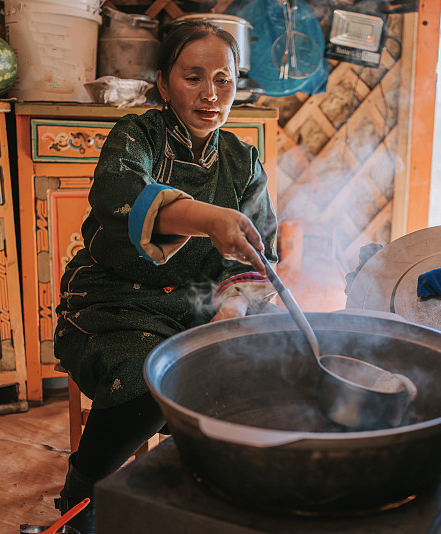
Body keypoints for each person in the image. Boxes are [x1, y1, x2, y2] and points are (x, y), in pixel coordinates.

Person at [51, 20, 278, 533]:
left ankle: (195, 498)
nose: (210, 94)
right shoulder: (136, 135)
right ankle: (80, 502)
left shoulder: (243, 162)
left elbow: (259, 258)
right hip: (115, 302)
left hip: (199, 308)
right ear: (163, 82)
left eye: (223, 79)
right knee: (148, 376)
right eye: (193, 77)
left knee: (263, 371)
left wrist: (232, 307)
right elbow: (119, 194)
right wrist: (208, 218)